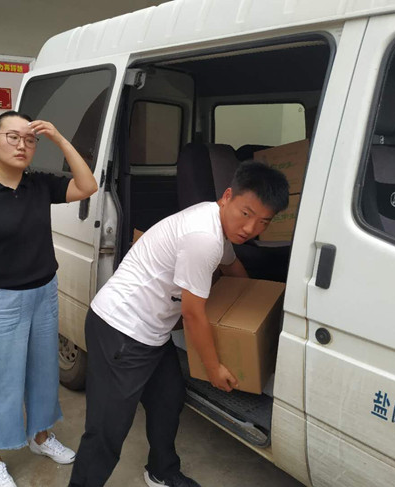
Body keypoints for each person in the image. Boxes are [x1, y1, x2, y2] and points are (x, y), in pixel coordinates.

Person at [68, 161, 290, 487]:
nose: (250, 228)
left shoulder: (217, 222)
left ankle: (162, 471)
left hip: (153, 332)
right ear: (228, 196)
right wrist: (213, 368)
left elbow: (233, 269)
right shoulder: (204, 237)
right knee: (107, 429)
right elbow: (192, 314)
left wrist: (253, 306)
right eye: (246, 214)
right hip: (120, 329)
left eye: (263, 222)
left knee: (168, 399)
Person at [0, 110, 98, 487]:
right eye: (12, 137)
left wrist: (59, 139)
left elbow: (88, 185)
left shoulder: (39, 185)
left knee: (44, 373)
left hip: (44, 294)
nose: (21, 145)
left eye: (29, 140)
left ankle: (40, 437)